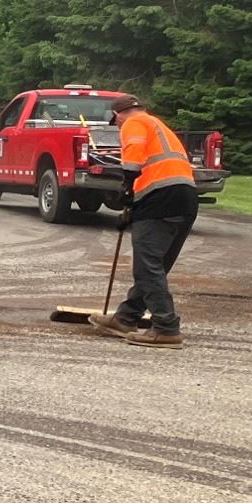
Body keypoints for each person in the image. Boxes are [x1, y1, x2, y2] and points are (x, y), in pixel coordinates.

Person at [89, 94, 198, 349]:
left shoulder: (134, 123)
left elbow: (133, 161)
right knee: (155, 266)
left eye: (115, 122)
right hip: (184, 197)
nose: (117, 127)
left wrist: (126, 190)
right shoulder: (158, 125)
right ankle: (126, 318)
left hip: (160, 197)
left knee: (147, 267)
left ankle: (166, 328)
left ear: (118, 114)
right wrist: (133, 207)